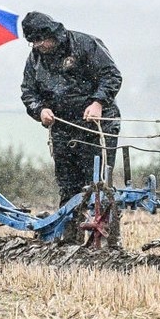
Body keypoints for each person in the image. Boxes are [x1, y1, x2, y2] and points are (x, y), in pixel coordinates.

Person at [19, 11, 122, 208]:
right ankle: (69, 232)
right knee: (68, 187)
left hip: (96, 127)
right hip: (62, 130)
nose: (38, 46)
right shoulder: (34, 60)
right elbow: (28, 92)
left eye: (41, 40)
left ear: (52, 34)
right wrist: (40, 110)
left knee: (96, 186)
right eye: (33, 42)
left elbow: (112, 75)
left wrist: (98, 102)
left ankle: (101, 230)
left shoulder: (86, 45)